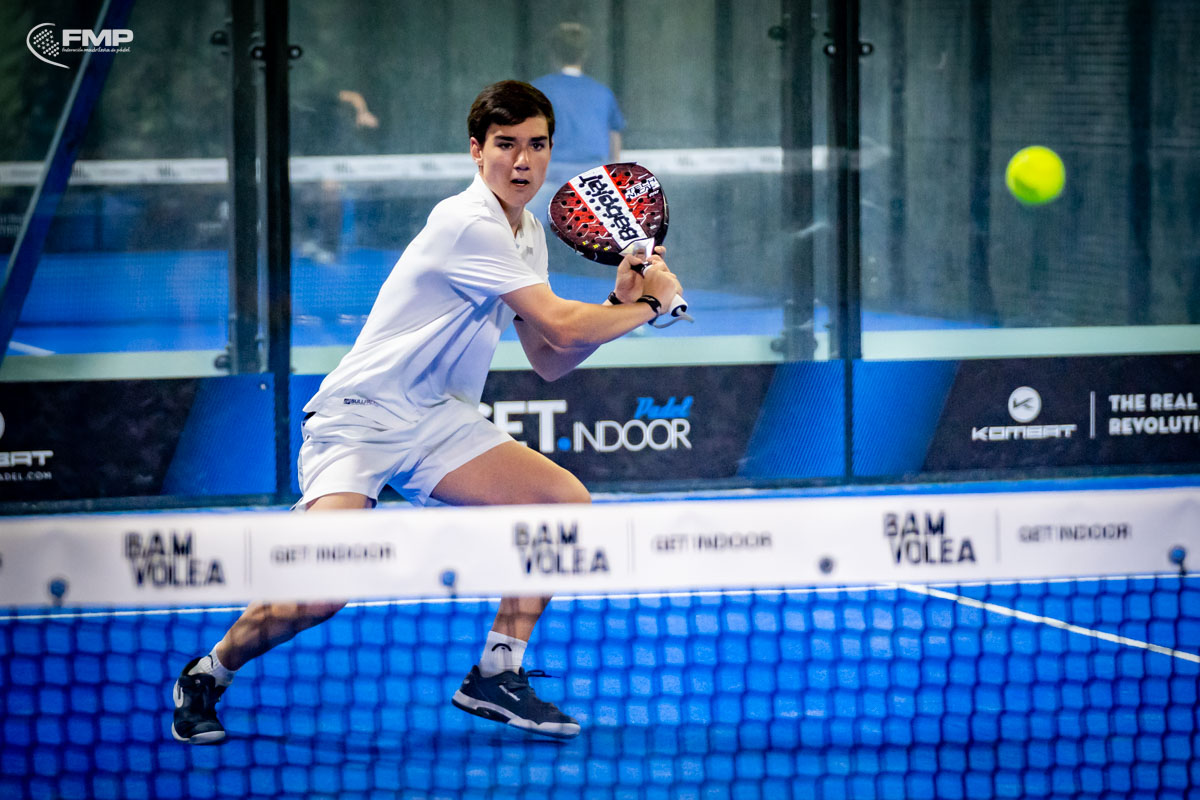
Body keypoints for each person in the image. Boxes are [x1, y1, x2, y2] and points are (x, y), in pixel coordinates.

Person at [171, 80, 683, 744]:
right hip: (361, 418)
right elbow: (561, 323)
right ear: (476, 150)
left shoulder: (528, 231)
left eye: (537, 145)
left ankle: (497, 672)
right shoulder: (466, 223)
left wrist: (619, 306)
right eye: (505, 145)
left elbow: (550, 357)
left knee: (561, 505)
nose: (522, 161)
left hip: (439, 418)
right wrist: (650, 305)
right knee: (319, 593)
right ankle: (209, 672)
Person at [530, 22, 625, 227]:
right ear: (585, 55)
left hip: (549, 176)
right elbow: (614, 138)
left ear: (553, 54)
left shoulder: (537, 90)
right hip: (592, 180)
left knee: (515, 228)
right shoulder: (603, 93)